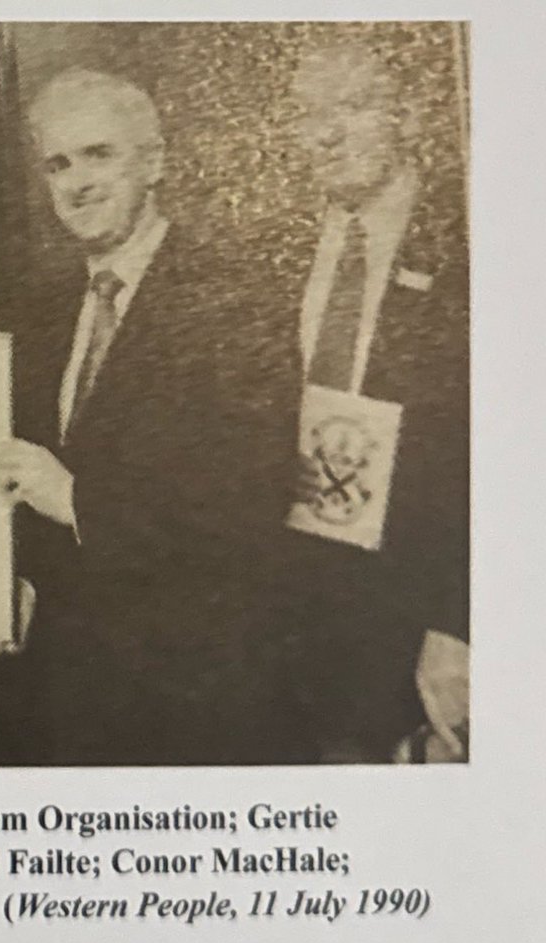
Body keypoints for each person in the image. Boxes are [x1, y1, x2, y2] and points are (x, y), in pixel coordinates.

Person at [0, 70, 300, 765]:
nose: (77, 182)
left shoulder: (238, 295)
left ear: (155, 161)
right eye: (58, 164)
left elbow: (247, 498)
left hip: (198, 692)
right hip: (68, 692)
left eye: (100, 154)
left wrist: (73, 497)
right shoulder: (37, 313)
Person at [273, 35, 469, 761]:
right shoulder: (276, 247)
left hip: (423, 618)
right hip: (292, 609)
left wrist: (463, 619)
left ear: (409, 116)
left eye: (352, 107)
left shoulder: (474, 238)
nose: (326, 133)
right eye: (308, 114)